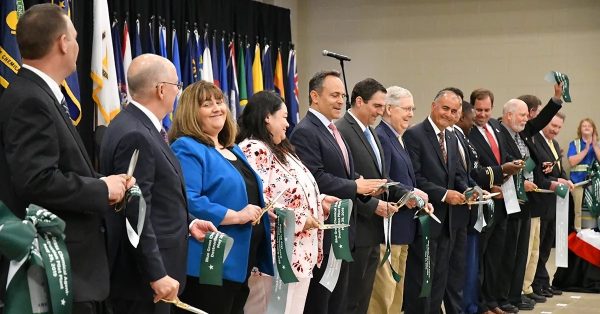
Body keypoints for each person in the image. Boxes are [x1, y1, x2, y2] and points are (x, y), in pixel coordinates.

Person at [0, 4, 132, 313]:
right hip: (56, 272)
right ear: (62, 43)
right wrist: (102, 190)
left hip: (76, 271)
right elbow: (36, 180)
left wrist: (104, 183)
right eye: (74, 37)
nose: (76, 45)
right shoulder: (29, 100)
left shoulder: (39, 95)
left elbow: (55, 170)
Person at [99, 54, 217, 314]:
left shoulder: (135, 125)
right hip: (144, 280)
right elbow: (136, 212)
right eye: (177, 85)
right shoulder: (135, 133)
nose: (178, 91)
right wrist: (156, 274)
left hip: (151, 273)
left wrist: (189, 223)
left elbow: (159, 197)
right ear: (162, 89)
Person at [169, 81, 273, 314]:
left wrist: (263, 211)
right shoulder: (187, 147)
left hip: (242, 261)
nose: (217, 108)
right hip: (211, 263)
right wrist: (236, 216)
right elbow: (189, 199)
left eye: (219, 102)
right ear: (191, 113)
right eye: (207, 104)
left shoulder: (232, 148)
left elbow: (247, 193)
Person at [289, 70, 386, 314]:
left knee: (341, 301)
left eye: (343, 95)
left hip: (343, 230)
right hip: (324, 231)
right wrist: (355, 186)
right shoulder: (306, 131)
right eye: (334, 95)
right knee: (323, 302)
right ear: (314, 96)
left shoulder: (332, 129)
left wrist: (361, 183)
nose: (341, 101)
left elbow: (341, 171)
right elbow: (314, 178)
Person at [237, 90, 338, 314]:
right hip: (275, 257)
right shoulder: (254, 149)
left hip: (299, 255)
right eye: (283, 116)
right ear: (267, 117)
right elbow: (261, 202)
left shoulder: (282, 149)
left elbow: (292, 193)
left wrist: (319, 202)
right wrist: (302, 218)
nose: (288, 123)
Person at [336, 78, 416, 314]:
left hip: (374, 228)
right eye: (377, 106)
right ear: (359, 102)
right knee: (356, 299)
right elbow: (346, 180)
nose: (381, 112)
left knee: (365, 296)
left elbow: (382, 178)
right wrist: (373, 205)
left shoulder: (370, 132)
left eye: (383, 107)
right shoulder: (342, 130)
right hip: (357, 224)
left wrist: (407, 194)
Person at [403, 89, 469, 314]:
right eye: (445, 108)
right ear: (433, 106)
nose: (449, 114)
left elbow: (457, 174)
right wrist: (444, 194)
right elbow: (416, 177)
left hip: (448, 223)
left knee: (440, 277)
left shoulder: (450, 136)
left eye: (453, 111)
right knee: (423, 279)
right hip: (427, 219)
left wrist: (470, 190)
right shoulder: (415, 135)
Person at [369, 86, 427, 313]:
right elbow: (384, 179)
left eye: (412, 109)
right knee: (383, 294)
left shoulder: (398, 137)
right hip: (389, 227)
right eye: (406, 109)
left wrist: (417, 194)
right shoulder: (382, 137)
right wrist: (409, 193)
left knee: (396, 293)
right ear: (389, 109)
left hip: (404, 226)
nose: (411, 114)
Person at [468, 88, 510, 314]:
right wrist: (492, 182)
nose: (482, 114)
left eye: (486, 110)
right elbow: (473, 170)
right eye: (478, 109)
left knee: (496, 254)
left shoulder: (496, 126)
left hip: (503, 199)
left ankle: (492, 300)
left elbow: (504, 158)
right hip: (484, 201)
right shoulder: (467, 132)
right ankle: (480, 303)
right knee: (480, 257)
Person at [532, 112, 574, 299]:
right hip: (541, 200)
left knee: (547, 245)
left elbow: (559, 169)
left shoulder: (554, 144)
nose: (555, 130)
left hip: (554, 201)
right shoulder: (535, 142)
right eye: (553, 126)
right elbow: (541, 174)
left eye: (559, 127)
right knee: (538, 246)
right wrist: (557, 179)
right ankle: (536, 283)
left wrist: (566, 180)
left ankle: (542, 281)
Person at [567, 118, 600, 230]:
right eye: (584, 126)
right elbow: (571, 162)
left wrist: (595, 146)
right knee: (578, 211)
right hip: (578, 182)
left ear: (593, 130)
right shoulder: (574, 144)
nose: (586, 127)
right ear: (580, 130)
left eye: (589, 126)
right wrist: (586, 149)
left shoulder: (598, 145)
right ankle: (578, 234)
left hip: (595, 183)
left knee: (596, 209)